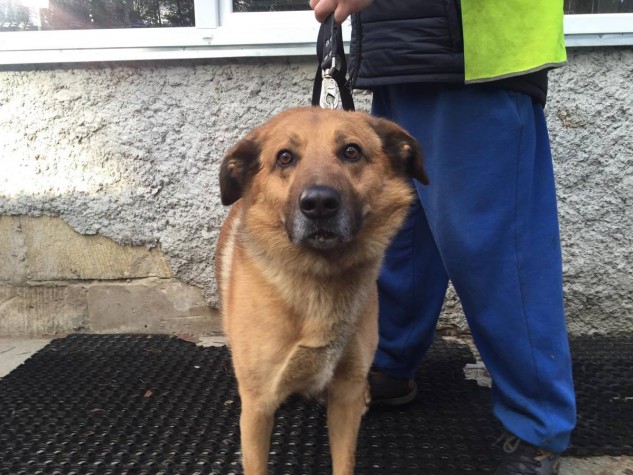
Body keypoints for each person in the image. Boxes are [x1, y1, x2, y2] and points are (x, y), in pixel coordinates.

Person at [309, 1, 577, 474]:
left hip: (476, 57)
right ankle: (390, 363)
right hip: (407, 52)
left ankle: (537, 422)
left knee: (497, 252)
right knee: (401, 235)